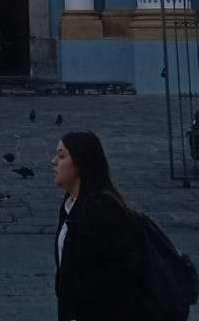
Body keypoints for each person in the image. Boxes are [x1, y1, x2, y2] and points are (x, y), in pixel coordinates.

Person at [51, 130, 150, 321]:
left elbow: (124, 269)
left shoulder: (100, 209)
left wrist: (80, 296)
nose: (54, 161)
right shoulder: (70, 204)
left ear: (80, 164)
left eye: (61, 156)